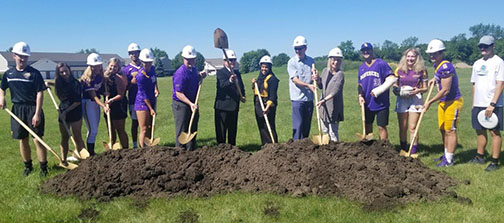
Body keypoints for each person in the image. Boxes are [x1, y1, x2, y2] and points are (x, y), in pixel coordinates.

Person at [0, 42, 48, 177]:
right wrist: (2, 98)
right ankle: (28, 166)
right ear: (14, 56)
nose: (23, 59)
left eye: (25, 57)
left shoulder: (34, 73)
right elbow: (2, 88)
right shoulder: (9, 73)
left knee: (38, 139)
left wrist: (37, 113)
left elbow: (40, 93)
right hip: (17, 110)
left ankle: (43, 168)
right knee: (23, 139)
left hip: (33, 108)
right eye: (20, 56)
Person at [423, 39, 464, 167]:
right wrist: (433, 80)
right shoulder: (437, 66)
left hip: (452, 102)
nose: (432, 56)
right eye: (430, 54)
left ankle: (449, 160)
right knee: (442, 129)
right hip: (443, 102)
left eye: (435, 53)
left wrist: (429, 101)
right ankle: (446, 154)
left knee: (450, 130)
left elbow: (445, 90)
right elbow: (439, 78)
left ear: (441, 53)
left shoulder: (446, 66)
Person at [468, 35, 504, 171]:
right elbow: (474, 84)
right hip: (478, 103)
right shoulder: (477, 63)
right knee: (479, 131)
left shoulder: (498, 62)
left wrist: (492, 104)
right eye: (481, 46)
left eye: (486, 46)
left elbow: (501, 84)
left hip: (492, 104)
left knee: (494, 132)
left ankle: (494, 161)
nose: (483, 48)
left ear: (493, 46)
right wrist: (473, 103)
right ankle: (480, 156)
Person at [393, 48, 428, 155]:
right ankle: (403, 149)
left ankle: (413, 151)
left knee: (412, 127)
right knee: (402, 127)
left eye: (413, 56)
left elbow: (425, 88)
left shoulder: (422, 70)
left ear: (417, 58)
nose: (410, 58)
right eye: (408, 56)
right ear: (405, 57)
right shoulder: (399, 69)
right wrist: (397, 90)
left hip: (416, 98)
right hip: (402, 98)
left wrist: (418, 90)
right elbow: (395, 84)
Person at [357, 42, 395, 140]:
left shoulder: (381, 64)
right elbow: (359, 85)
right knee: (368, 125)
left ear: (372, 51)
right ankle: (371, 149)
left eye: (368, 50)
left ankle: (384, 148)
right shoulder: (361, 68)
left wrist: (379, 90)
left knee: (381, 127)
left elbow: (391, 78)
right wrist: (360, 96)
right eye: (364, 51)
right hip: (367, 102)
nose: (366, 52)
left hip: (381, 102)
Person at [173, 45, 206, 150]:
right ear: (183, 58)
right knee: (182, 129)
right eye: (188, 60)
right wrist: (190, 104)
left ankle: (191, 150)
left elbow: (195, 78)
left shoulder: (193, 69)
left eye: (192, 60)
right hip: (181, 104)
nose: (191, 62)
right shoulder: (180, 73)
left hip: (193, 102)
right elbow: (179, 93)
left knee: (192, 127)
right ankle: (179, 152)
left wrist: (200, 75)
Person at [53, 63, 86, 164]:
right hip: (63, 111)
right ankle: (63, 160)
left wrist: (66, 112)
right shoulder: (59, 82)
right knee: (64, 137)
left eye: (65, 71)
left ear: (69, 70)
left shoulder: (75, 83)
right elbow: (55, 84)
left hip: (74, 111)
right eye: (61, 72)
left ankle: (85, 160)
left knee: (77, 136)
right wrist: (48, 84)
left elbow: (77, 101)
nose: (64, 73)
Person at [214, 49, 245, 145]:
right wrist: (230, 81)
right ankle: (221, 149)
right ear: (225, 61)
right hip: (223, 107)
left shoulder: (237, 73)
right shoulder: (221, 72)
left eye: (234, 60)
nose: (232, 62)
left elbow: (241, 86)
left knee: (233, 130)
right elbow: (221, 86)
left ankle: (232, 149)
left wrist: (243, 95)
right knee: (221, 131)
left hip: (234, 106)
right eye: (230, 60)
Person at [314, 48, 345, 142]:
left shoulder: (340, 75)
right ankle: (325, 151)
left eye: (338, 60)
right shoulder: (324, 71)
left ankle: (336, 152)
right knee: (325, 131)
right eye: (333, 59)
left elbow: (335, 91)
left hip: (334, 107)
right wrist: (317, 79)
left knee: (333, 132)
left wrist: (323, 100)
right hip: (323, 108)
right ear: (330, 60)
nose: (335, 62)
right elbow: (321, 86)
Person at [80, 53, 109, 156]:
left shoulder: (99, 76)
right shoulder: (87, 79)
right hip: (88, 103)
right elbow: (93, 96)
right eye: (94, 66)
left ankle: (91, 152)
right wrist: (103, 106)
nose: (97, 67)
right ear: (90, 66)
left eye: (98, 65)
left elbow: (98, 91)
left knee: (94, 129)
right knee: (93, 129)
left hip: (96, 104)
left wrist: (104, 93)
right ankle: (90, 153)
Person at [287, 36, 315, 140]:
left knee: (306, 126)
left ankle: (305, 148)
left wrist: (315, 77)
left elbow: (313, 77)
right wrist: (308, 85)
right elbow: (295, 80)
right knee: (298, 126)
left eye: (300, 48)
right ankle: (296, 148)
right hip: (297, 99)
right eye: (296, 48)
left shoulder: (311, 61)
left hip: (309, 98)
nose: (297, 51)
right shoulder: (292, 62)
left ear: (305, 48)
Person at [252, 55, 279, 145]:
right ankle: (265, 146)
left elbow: (272, 96)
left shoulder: (272, 79)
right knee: (262, 126)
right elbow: (256, 91)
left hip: (268, 105)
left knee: (269, 126)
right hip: (258, 103)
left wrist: (267, 107)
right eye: (263, 67)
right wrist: (253, 84)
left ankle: (273, 144)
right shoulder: (259, 78)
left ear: (270, 67)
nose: (264, 69)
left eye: (266, 67)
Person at [103, 58, 129, 149]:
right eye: (111, 66)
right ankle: (112, 150)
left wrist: (111, 100)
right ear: (108, 66)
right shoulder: (104, 77)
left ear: (118, 68)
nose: (113, 68)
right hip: (107, 106)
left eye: (115, 67)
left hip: (118, 105)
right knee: (110, 130)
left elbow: (121, 95)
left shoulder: (119, 78)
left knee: (120, 129)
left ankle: (126, 150)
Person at [135, 48, 158, 148]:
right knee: (144, 128)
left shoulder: (152, 69)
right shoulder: (140, 76)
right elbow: (143, 94)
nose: (148, 64)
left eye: (149, 62)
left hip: (152, 99)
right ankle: (142, 149)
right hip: (142, 103)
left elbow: (154, 79)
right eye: (145, 62)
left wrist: (156, 89)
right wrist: (151, 109)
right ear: (141, 61)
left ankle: (149, 147)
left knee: (149, 127)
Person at [122, 43, 141, 148]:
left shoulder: (144, 66)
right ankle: (134, 144)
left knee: (146, 124)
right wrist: (131, 83)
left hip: (145, 98)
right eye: (132, 53)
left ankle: (145, 143)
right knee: (135, 123)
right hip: (133, 99)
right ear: (129, 55)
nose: (134, 55)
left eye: (136, 53)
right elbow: (124, 88)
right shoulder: (126, 70)